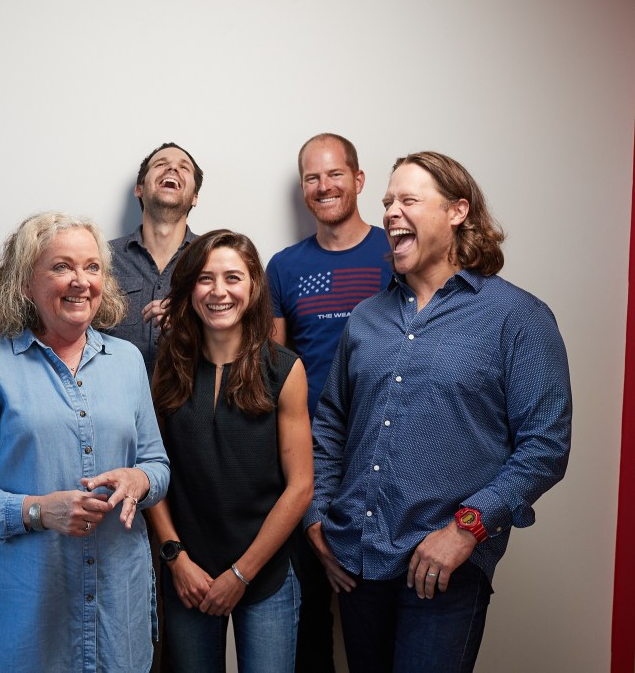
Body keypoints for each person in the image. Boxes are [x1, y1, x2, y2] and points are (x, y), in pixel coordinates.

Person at [305, 151, 572, 672]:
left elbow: (545, 447)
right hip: (356, 563)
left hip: (445, 571)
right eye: (388, 202)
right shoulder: (365, 318)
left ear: (457, 211)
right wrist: (319, 516)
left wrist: (465, 529)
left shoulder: (518, 317)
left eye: (408, 200)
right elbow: (331, 425)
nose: (390, 212)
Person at [0, 211, 170, 672]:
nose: (81, 281)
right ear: (25, 283)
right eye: (61, 267)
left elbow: (157, 464)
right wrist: (38, 511)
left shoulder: (127, 361)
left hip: (117, 615)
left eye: (92, 267)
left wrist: (139, 480)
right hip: (28, 620)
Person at [147, 229, 313, 672]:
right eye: (205, 278)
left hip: (266, 572)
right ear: (190, 289)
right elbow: (152, 470)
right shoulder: (168, 367)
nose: (218, 291)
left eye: (233, 278)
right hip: (189, 572)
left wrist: (242, 573)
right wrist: (175, 557)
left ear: (254, 287)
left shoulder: (284, 369)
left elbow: (300, 487)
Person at [265, 133, 392, 672]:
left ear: (358, 180)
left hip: (382, 456)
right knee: (309, 617)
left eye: (335, 174)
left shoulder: (396, 252)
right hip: (307, 460)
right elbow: (273, 368)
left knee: (380, 613)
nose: (324, 186)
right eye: (312, 178)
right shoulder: (283, 266)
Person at [108, 142, 204, 375]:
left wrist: (187, 327)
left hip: (192, 395)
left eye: (184, 167)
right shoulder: (102, 258)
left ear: (194, 198)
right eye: (161, 164)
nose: (172, 169)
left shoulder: (212, 258)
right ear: (139, 189)